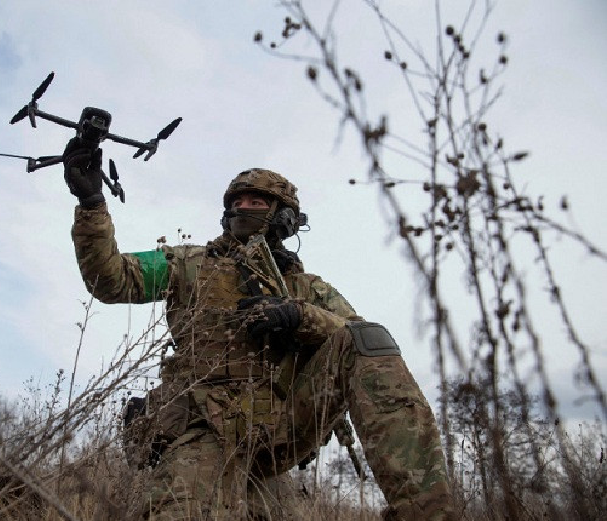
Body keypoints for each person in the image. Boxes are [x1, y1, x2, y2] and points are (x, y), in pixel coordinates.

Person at [63, 137, 454, 520]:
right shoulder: (189, 263)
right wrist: (92, 203)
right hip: (205, 424)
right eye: (236, 203)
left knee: (368, 339)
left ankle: (426, 512)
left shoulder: (309, 288)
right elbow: (110, 279)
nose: (243, 208)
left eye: (257, 201)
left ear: (283, 215)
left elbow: (355, 336)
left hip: (283, 424)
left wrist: (300, 316)